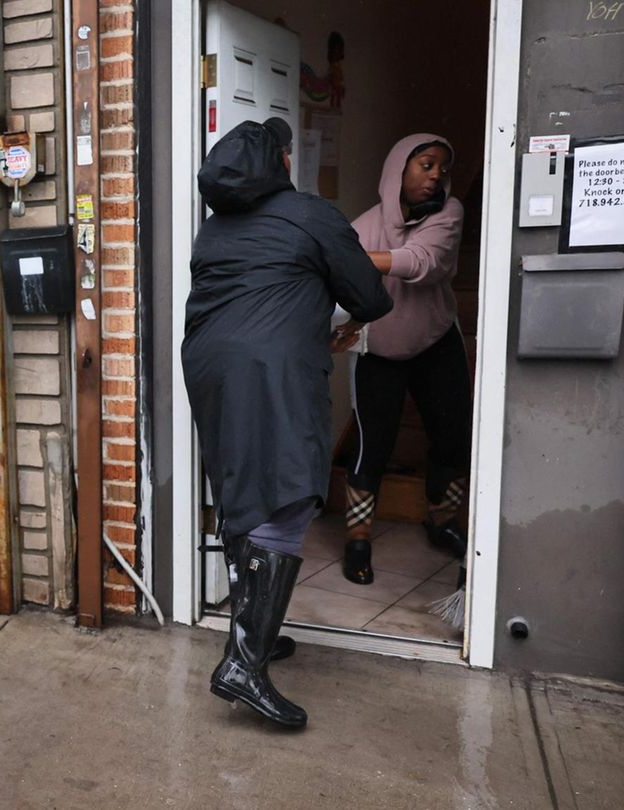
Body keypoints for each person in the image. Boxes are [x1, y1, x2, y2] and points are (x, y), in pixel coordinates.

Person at [184, 118, 393, 728]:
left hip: (208, 364)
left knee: (242, 485)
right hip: (272, 370)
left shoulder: (214, 227)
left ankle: (257, 633)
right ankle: (243, 664)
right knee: (287, 495)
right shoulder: (311, 214)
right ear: (279, 160)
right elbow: (370, 297)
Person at [341, 134, 470, 586]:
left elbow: (423, 262)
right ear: (399, 170)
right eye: (427, 165)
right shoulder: (363, 226)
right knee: (370, 445)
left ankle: (442, 521)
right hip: (380, 351)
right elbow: (337, 287)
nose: (436, 176)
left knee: (453, 437)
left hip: (436, 343)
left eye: (443, 169)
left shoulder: (449, 214)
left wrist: (346, 260)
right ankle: (357, 536)